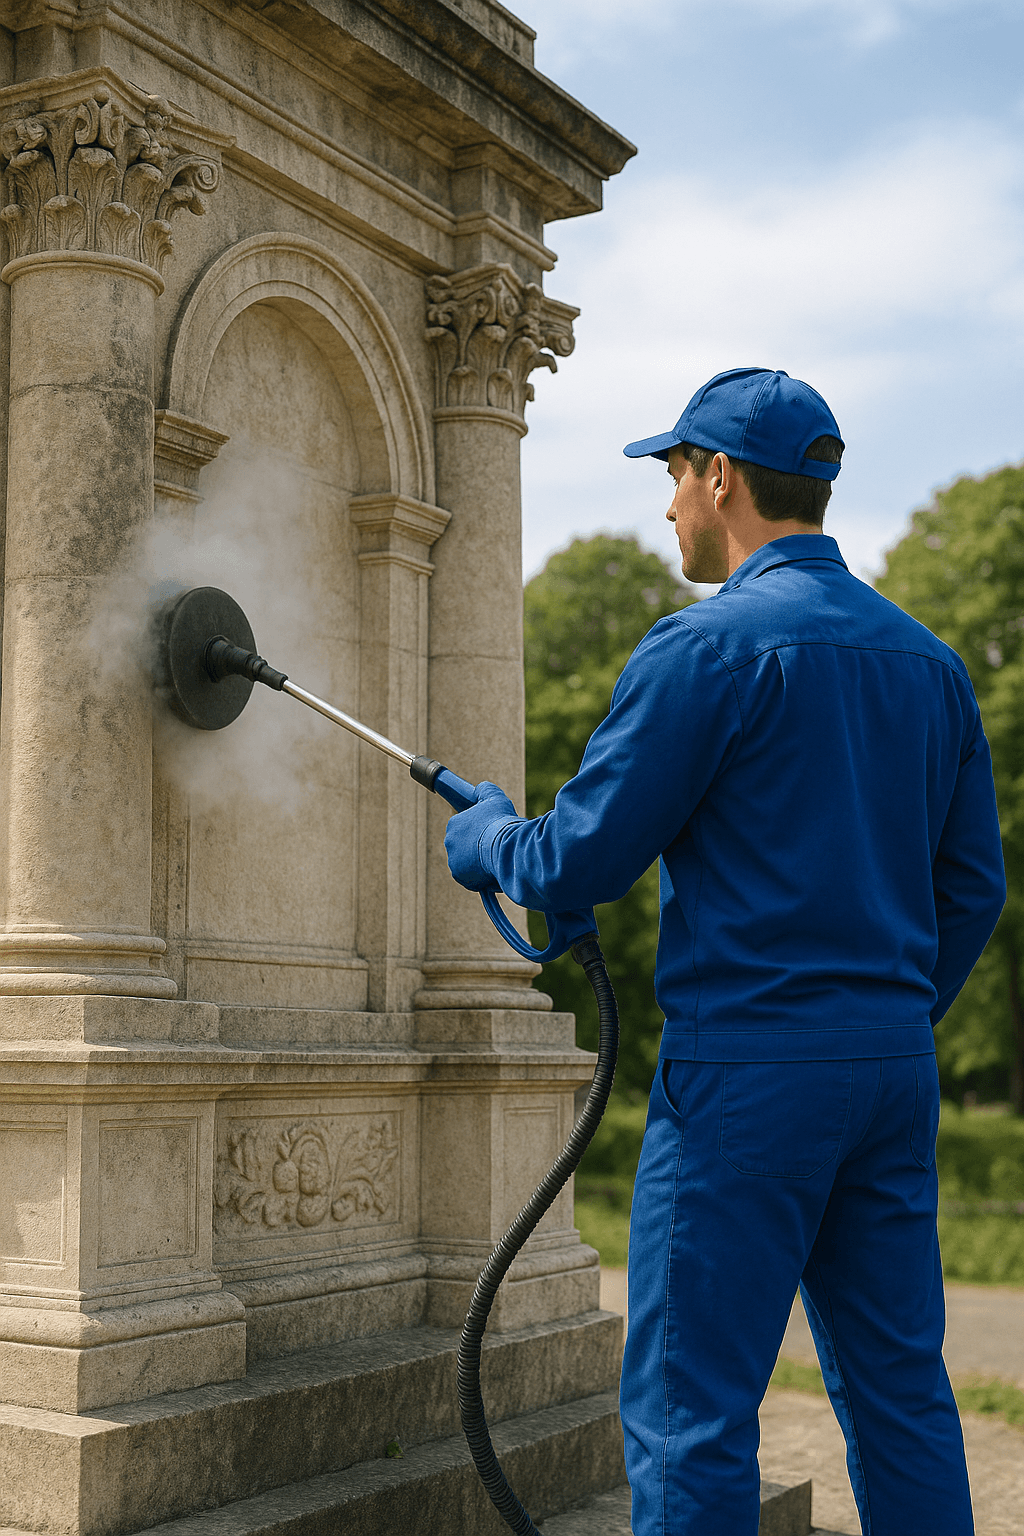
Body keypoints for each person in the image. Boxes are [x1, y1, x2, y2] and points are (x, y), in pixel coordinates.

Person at [444, 367, 1006, 1536]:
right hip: (890, 1076)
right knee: (902, 1392)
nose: (666, 512)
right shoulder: (933, 667)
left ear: (719, 477)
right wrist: (886, 1015)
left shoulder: (700, 650)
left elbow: (573, 864)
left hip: (744, 1084)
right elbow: (972, 890)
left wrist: (490, 835)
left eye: (671, 480)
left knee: (691, 1409)